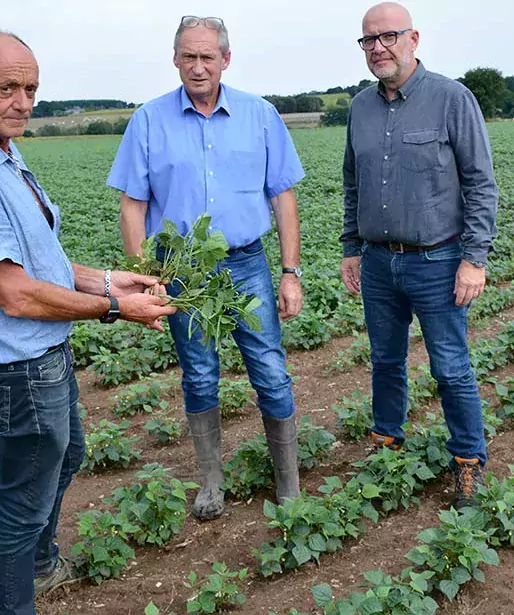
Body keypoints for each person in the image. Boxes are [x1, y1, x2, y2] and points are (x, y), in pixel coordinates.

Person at [0, 30, 176, 615]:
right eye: (7, 87)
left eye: (31, 88)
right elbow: (14, 292)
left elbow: (37, 262)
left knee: (69, 454)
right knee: (24, 501)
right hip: (20, 360)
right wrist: (116, 308)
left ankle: (40, 564)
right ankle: (17, 599)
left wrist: (109, 281)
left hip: (41, 353)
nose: (24, 102)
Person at [107, 15, 306, 520]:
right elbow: (133, 206)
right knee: (198, 375)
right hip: (184, 275)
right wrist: (146, 275)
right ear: (175, 59)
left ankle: (289, 485)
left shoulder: (259, 115)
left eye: (207, 57)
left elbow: (283, 196)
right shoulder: (149, 120)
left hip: (247, 265)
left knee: (270, 370)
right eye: (189, 57)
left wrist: (289, 272)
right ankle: (211, 483)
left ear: (226, 60)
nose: (198, 67)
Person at [339, 2, 499, 509]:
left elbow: (480, 183)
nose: (378, 48)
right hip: (380, 261)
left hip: (439, 261)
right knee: (385, 360)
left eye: (388, 37)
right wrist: (350, 247)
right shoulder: (360, 108)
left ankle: (469, 461)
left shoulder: (452, 98)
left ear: (414, 38)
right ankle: (388, 441)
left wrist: (474, 258)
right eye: (369, 40)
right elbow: (351, 182)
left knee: (450, 367)